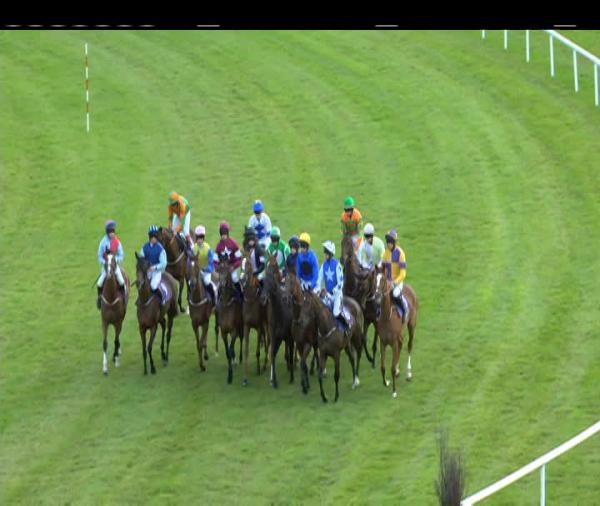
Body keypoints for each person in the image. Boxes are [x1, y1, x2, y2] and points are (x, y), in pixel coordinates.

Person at [315, 240, 349, 335]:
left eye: (327, 252)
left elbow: (340, 283)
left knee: (335, 312)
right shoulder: (323, 265)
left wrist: (332, 292)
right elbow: (319, 281)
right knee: (320, 311)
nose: (325, 253)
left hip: (337, 295)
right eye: (325, 251)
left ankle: (346, 326)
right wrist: (317, 291)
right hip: (327, 295)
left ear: (331, 253)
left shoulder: (337, 265)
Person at [96, 220, 126, 309]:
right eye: (110, 232)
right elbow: (99, 256)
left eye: (113, 232)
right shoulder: (103, 242)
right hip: (106, 268)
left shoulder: (117, 242)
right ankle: (100, 300)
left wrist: (115, 260)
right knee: (99, 283)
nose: (112, 234)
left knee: (122, 281)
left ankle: (124, 299)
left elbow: (121, 255)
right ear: (107, 232)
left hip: (114, 267)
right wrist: (105, 262)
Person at [382, 228, 410, 323]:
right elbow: (383, 267)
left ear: (394, 242)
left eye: (390, 242)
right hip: (388, 281)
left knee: (395, 293)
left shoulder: (400, 253)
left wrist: (394, 282)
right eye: (387, 242)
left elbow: (403, 273)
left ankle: (405, 308)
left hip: (397, 282)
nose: (388, 244)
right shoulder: (386, 253)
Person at [138, 225, 168, 305]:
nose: (153, 238)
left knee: (153, 286)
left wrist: (154, 268)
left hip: (156, 272)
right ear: (150, 237)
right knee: (141, 284)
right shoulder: (144, 247)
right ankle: (140, 300)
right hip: (147, 272)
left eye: (155, 236)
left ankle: (162, 299)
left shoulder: (160, 249)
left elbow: (164, 263)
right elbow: (141, 259)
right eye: (152, 236)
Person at [213, 221, 243, 300]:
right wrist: (218, 268)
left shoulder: (234, 244)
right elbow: (215, 261)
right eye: (222, 234)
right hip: (223, 270)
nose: (223, 236)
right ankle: (217, 301)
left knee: (235, 278)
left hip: (233, 268)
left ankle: (240, 298)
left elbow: (239, 258)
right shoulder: (218, 246)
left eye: (225, 234)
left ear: (227, 234)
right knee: (220, 284)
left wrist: (233, 267)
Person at [192, 225, 217, 302]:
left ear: (203, 238)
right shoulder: (194, 247)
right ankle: (191, 301)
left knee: (207, 282)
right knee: (191, 282)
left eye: (201, 238)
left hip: (206, 271)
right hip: (197, 270)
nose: (199, 240)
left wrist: (205, 269)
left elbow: (211, 263)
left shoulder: (208, 248)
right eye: (198, 238)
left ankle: (213, 298)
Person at [167, 191, 194, 255]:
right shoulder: (170, 206)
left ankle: (192, 247)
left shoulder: (183, 205)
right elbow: (170, 218)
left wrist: (176, 231)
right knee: (172, 229)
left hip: (185, 213)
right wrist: (170, 227)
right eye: (172, 205)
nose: (173, 206)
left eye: (174, 204)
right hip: (177, 213)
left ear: (177, 202)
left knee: (185, 231)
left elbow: (181, 223)